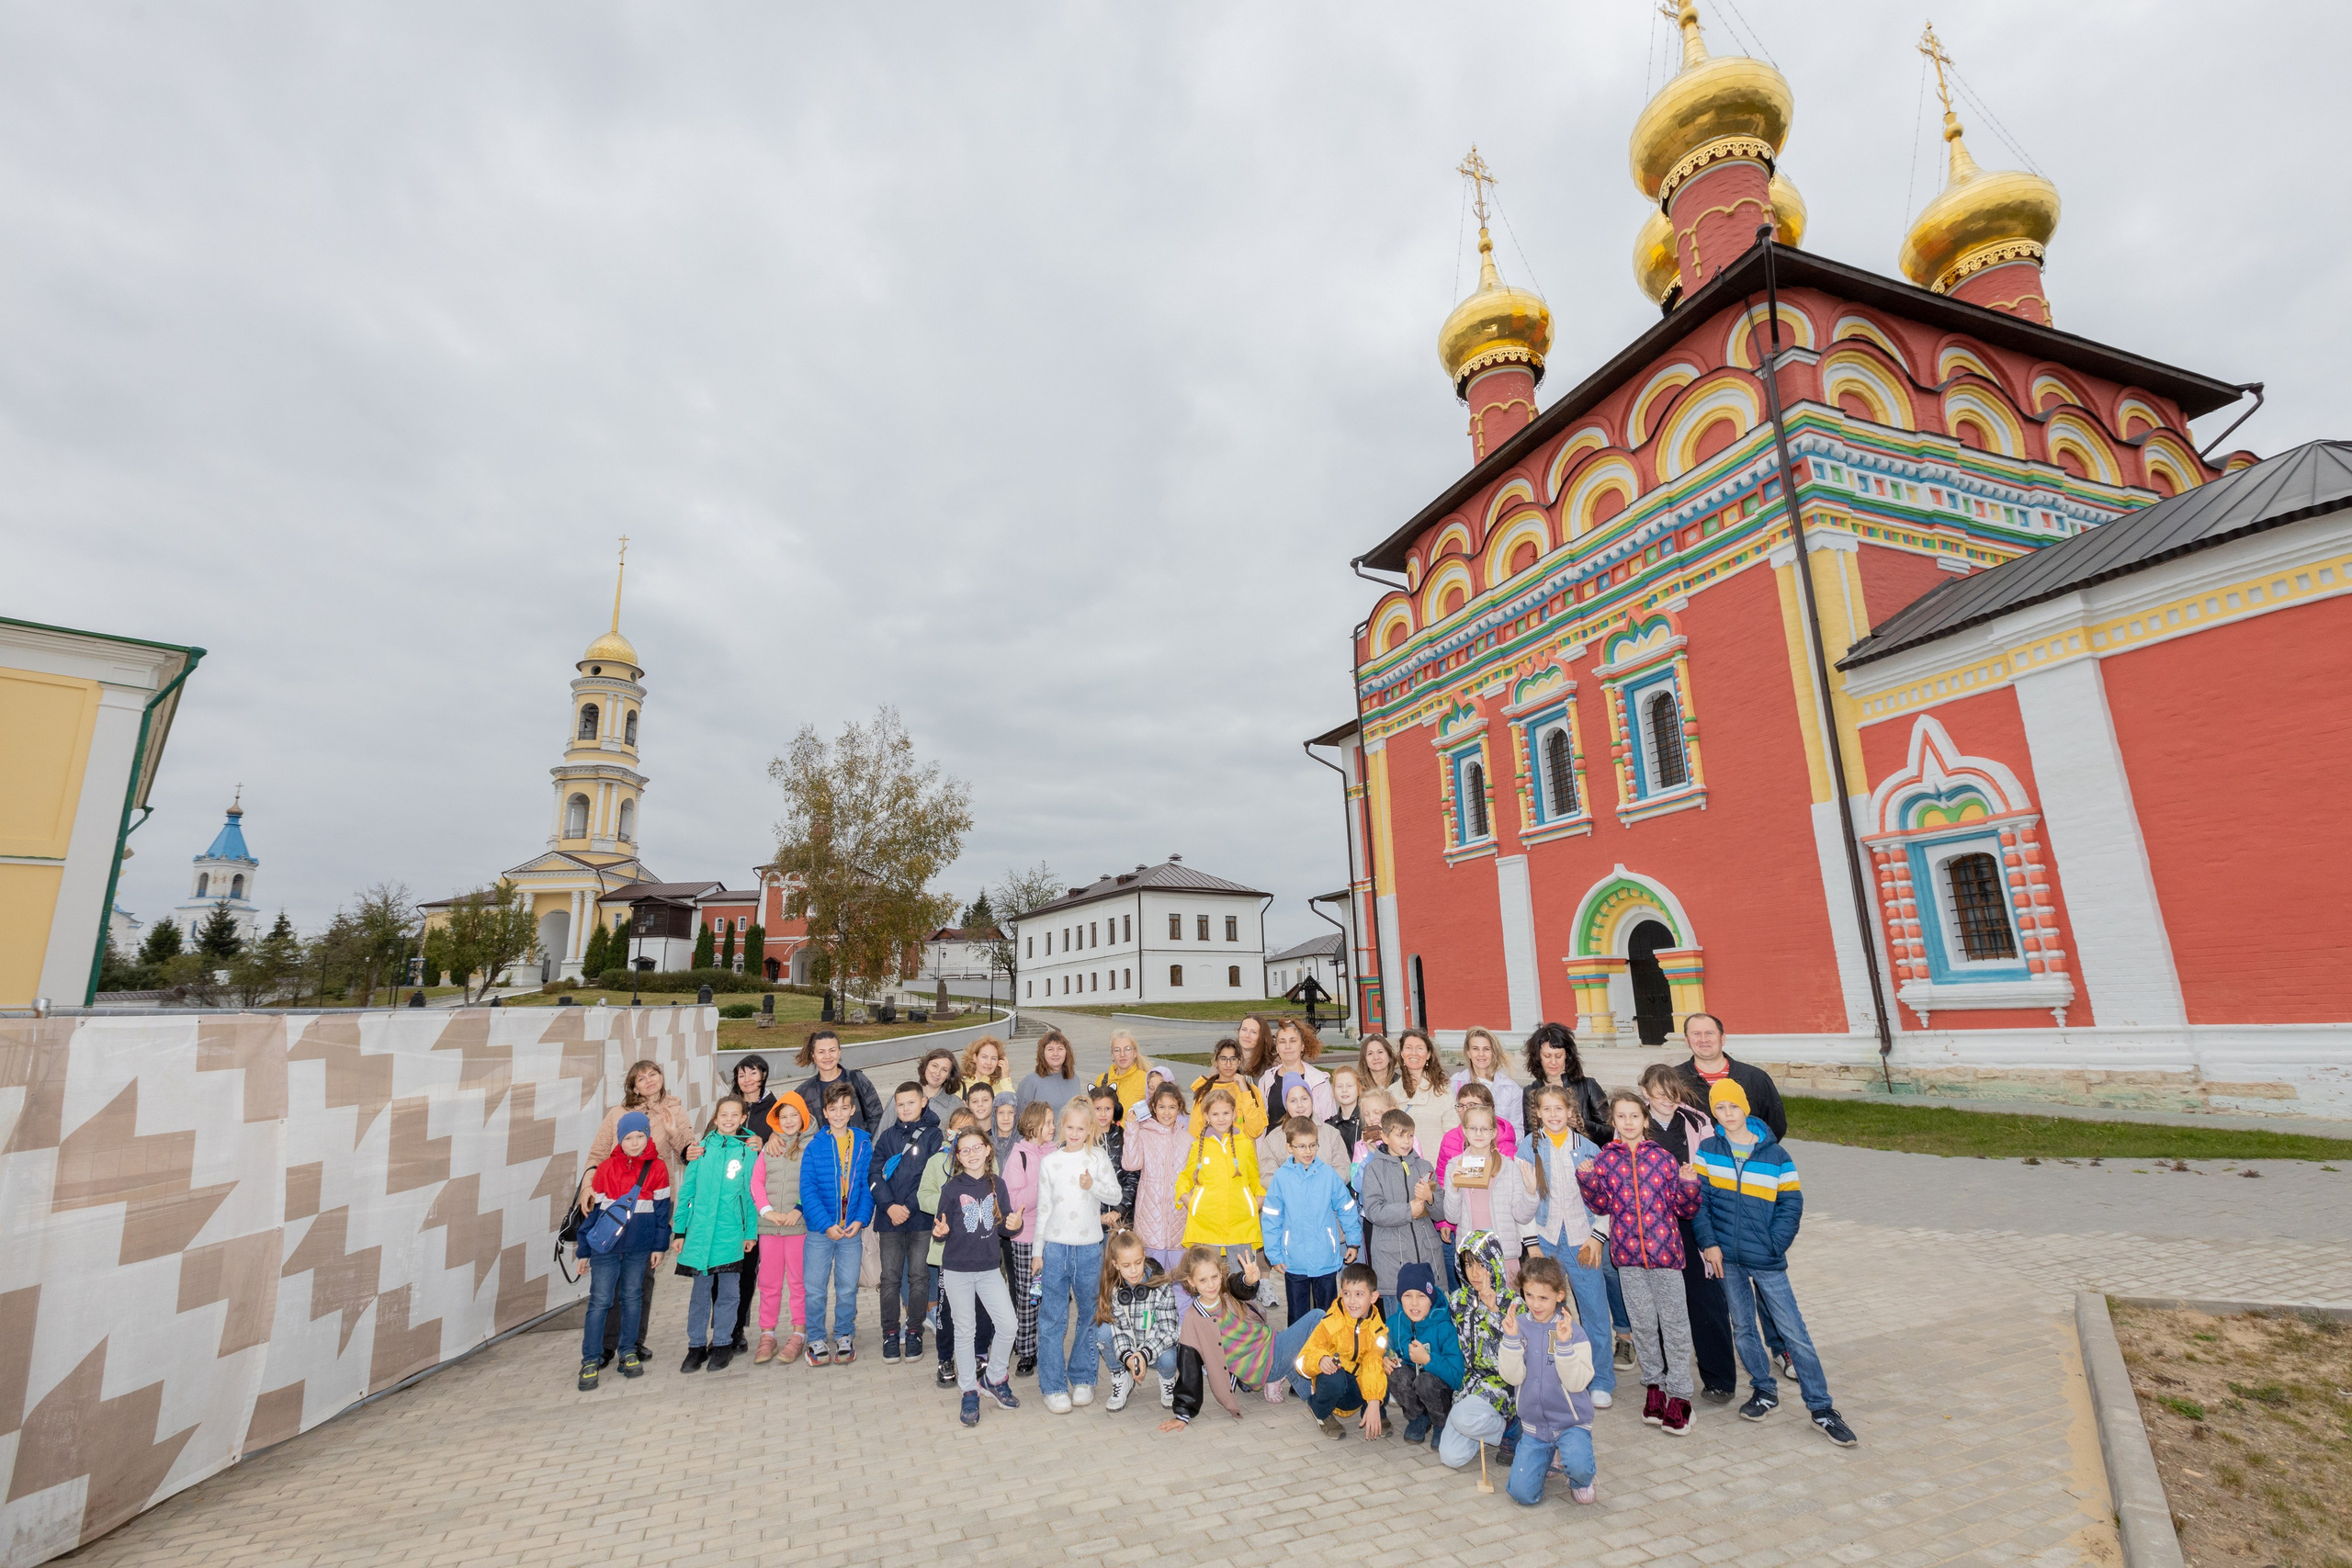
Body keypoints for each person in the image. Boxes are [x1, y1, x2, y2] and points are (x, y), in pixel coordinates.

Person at [1692, 1080, 1858, 1447]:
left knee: (1794, 1333)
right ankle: (1764, 1390)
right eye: (1720, 1109)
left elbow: (1791, 1205)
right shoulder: (1707, 1150)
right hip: (1727, 1259)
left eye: (1733, 1107)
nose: (1728, 1114)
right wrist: (1709, 1244)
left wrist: (1774, 1245)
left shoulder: (1775, 1155)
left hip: (1765, 1258)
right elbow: (1699, 1202)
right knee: (1743, 1329)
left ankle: (1821, 1408)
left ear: (1745, 1108)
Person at [1577, 1089, 1702, 1436]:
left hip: (1665, 1258)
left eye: (1634, 1116)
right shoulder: (1606, 1159)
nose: (1628, 1122)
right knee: (1644, 1326)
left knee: (1674, 1325)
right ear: (1613, 1122)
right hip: (1629, 1260)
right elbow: (1602, 1205)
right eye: (1621, 1117)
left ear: (1645, 1120)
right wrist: (1587, 1179)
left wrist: (1690, 1185)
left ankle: (1680, 1395)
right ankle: (1655, 1388)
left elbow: (1684, 1209)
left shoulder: (1663, 1158)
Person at [1640, 1063, 1742, 1405]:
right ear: (1645, 1092)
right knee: (1661, 1304)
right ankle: (1667, 1374)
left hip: (1693, 1221)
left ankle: (1719, 1377)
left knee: (1706, 1301)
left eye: (1673, 1092)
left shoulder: (1698, 1121)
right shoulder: (1634, 1122)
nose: (1668, 1099)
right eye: (1659, 1092)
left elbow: (1712, 1172)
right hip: (1653, 1226)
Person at [581, 1060, 695, 1367]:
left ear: (661, 1078)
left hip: (653, 1203)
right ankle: (607, 1344)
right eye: (641, 1078)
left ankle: (632, 1342)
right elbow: (597, 1154)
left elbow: (687, 1149)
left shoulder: (673, 1109)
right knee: (612, 1283)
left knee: (641, 1279)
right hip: (613, 1207)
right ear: (632, 1086)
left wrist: (674, 1132)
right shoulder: (617, 1115)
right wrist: (586, 1188)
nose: (648, 1081)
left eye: (653, 1075)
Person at [1521, 1083, 1615, 1408]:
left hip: (1581, 1240)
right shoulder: (1528, 1149)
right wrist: (1532, 1245)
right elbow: (1523, 1202)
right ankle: (1554, 1375)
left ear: (1571, 1112)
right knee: (1547, 1312)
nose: (1553, 1115)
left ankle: (1601, 1380)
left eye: (1558, 1109)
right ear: (1537, 1114)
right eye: (1546, 1109)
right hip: (1546, 1240)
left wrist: (1597, 1237)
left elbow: (1606, 1201)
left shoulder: (1590, 1150)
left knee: (1594, 1311)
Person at [574, 1110, 672, 1391]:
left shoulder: (658, 1169)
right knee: (600, 1301)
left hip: (639, 1249)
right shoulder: (605, 1169)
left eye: (640, 1135)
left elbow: (661, 1212)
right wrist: (583, 1251)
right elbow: (591, 1216)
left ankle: (628, 1350)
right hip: (605, 1250)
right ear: (620, 1140)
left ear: (648, 1135)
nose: (635, 1142)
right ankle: (590, 1359)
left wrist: (659, 1246)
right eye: (629, 1137)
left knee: (632, 1298)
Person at [1034, 1098, 1121, 1412]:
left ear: (1090, 1129)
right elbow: (1044, 1209)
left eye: (1080, 1128)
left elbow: (1116, 1194)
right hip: (1056, 1249)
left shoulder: (1097, 1158)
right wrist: (1037, 1252)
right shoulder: (1051, 1162)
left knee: (1089, 1315)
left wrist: (1092, 1185)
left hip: (1089, 1250)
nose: (1074, 1132)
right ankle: (1053, 1385)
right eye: (1069, 1127)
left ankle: (1084, 1378)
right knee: (1052, 1318)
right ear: (1061, 1127)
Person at [933, 1128, 1022, 1427]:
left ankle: (995, 1379)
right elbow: (941, 1226)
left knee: (1009, 1324)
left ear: (987, 1150)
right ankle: (969, 1388)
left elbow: (1005, 1228)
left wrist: (1015, 1224)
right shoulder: (951, 1189)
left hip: (988, 1269)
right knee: (965, 1330)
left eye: (976, 1148)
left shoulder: (998, 1184)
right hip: (957, 1269)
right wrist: (940, 1232)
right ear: (957, 1157)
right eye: (965, 1150)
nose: (971, 1154)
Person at [1496, 1256, 1599, 1506]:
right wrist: (1510, 1341)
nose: (1535, 1304)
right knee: (1521, 1494)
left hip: (1570, 1423)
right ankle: (1549, 1456)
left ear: (1560, 1295)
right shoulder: (1517, 1326)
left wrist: (1564, 1346)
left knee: (1580, 1467)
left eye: (1543, 1298)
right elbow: (1511, 1377)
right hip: (1535, 1428)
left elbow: (1577, 1384)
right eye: (1529, 1295)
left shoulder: (1573, 1331)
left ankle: (1579, 1478)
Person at [673, 1094, 760, 1373]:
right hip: (699, 1236)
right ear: (715, 1118)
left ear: (743, 1118)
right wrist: (679, 1230)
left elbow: (749, 1196)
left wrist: (750, 1233)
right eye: (724, 1115)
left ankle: (723, 1343)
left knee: (729, 1294)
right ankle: (696, 1345)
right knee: (699, 1295)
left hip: (730, 1235)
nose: (729, 1120)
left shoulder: (748, 1151)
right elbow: (687, 1192)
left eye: (736, 1115)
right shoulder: (700, 1150)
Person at [797, 1081, 875, 1366]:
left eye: (845, 1108)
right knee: (816, 1288)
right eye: (833, 1109)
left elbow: (868, 1186)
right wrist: (826, 1223)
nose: (839, 1113)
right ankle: (815, 1338)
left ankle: (845, 1334)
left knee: (846, 1287)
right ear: (825, 1113)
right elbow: (807, 1189)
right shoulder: (814, 1146)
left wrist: (860, 1219)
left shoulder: (863, 1142)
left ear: (852, 1110)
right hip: (821, 1231)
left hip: (851, 1232)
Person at [1260, 1115, 1363, 1326]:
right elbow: (1271, 1218)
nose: (1308, 1151)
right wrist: (1274, 1253)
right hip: (1294, 1261)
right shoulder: (1281, 1178)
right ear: (1289, 1147)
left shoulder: (1328, 1175)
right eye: (1301, 1146)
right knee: (1298, 1318)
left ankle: (1329, 1355)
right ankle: (1299, 1355)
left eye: (1313, 1145)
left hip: (1325, 1259)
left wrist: (1353, 1240)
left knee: (1328, 1316)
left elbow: (1345, 1207)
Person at [1159, 1247, 1275, 1431]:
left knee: (1312, 1326)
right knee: (1315, 1319)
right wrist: (1183, 1413)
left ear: (1221, 1274)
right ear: (1191, 1281)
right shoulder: (1193, 1318)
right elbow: (1188, 1365)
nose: (1211, 1285)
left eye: (1214, 1277)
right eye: (1203, 1280)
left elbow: (1240, 1286)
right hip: (1260, 1360)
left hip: (1267, 1343)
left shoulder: (1226, 1292)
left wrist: (1249, 1281)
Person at [1435, 1230, 1522, 1471]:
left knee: (1463, 1418)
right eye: (1468, 1264)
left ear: (1493, 1263)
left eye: (1481, 1265)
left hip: (1501, 1386)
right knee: (1450, 1456)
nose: (1474, 1273)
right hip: (1467, 1388)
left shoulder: (1513, 1303)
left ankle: (1511, 1427)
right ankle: (1488, 1429)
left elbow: (1518, 1352)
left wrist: (1494, 1310)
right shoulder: (1457, 1301)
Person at [869, 1081, 944, 1364]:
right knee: (889, 1279)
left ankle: (914, 1330)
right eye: (900, 1104)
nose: (905, 1108)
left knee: (919, 1278)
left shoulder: (934, 1136)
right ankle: (890, 1332)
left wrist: (909, 1207)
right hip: (889, 1222)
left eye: (910, 1103)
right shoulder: (887, 1137)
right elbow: (874, 1174)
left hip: (922, 1220)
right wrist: (889, 1207)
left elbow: (932, 1176)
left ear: (923, 1102)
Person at [921, 1111, 993, 1389]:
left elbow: (996, 1199)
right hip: (948, 1255)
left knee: (981, 1307)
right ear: (948, 1131)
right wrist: (951, 1200)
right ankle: (945, 1358)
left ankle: (980, 1355)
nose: (963, 1136)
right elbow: (922, 1195)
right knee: (947, 1309)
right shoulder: (936, 1162)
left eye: (970, 1130)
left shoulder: (987, 1164)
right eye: (957, 1130)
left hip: (981, 1253)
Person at [1285, 1262, 1389, 1440]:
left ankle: (1373, 1412)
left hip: (1357, 1387)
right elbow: (1302, 1361)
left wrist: (1373, 1401)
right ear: (1341, 1293)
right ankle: (1321, 1412)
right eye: (1347, 1294)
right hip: (1335, 1387)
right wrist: (1319, 1360)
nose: (1352, 1301)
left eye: (1359, 1294)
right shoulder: (1330, 1323)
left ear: (1373, 1297)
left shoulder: (1377, 1329)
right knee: (1333, 1377)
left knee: (1383, 1369)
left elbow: (1373, 1363)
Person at [1441, 1102, 1539, 1285]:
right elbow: (1452, 1217)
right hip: (1472, 1258)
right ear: (1465, 1131)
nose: (1478, 1133)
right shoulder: (1455, 1166)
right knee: (1477, 1311)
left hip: (1505, 1255)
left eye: (1485, 1129)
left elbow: (1522, 1216)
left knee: (1508, 1311)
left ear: (1494, 1132)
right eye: (1473, 1128)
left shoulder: (1509, 1166)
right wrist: (1454, 1189)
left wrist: (1531, 1192)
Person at [1356, 1110, 1444, 1313]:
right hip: (1393, 1263)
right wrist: (1408, 1210)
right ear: (1385, 1137)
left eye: (1410, 1135)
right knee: (1398, 1330)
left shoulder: (1424, 1166)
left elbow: (1441, 1213)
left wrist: (1430, 1198)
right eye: (1400, 1135)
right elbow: (1373, 1211)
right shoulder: (1374, 1169)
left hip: (1426, 1259)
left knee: (1430, 1327)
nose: (1407, 1141)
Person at [750, 1091, 810, 1366]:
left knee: (799, 1283)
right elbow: (756, 1182)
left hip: (797, 1227)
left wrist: (798, 1210)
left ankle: (799, 1333)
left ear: (803, 1117)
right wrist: (767, 1211)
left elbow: (814, 1182)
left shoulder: (812, 1146)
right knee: (769, 1283)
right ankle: (768, 1334)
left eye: (793, 1115)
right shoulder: (769, 1147)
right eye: (782, 1116)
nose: (788, 1121)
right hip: (770, 1226)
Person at [1093, 1229, 1180, 1413]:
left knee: (1169, 1357)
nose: (1133, 1270)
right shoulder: (1114, 1290)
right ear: (1115, 1265)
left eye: (1138, 1263)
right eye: (1126, 1265)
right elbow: (1120, 1330)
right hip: (1129, 1349)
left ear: (1144, 1256)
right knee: (1102, 1331)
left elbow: (1168, 1330)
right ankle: (1120, 1375)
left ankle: (1168, 1380)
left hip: (1154, 1348)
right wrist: (1129, 1358)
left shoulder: (1161, 1285)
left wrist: (1144, 1355)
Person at [1174, 1088, 1261, 1268]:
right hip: (1206, 1224)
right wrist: (1190, 1201)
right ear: (1207, 1116)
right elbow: (1185, 1178)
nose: (1221, 1118)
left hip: (1240, 1224)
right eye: (1215, 1114)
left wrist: (1256, 1203)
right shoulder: (1199, 1145)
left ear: (1233, 1114)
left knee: (1241, 1282)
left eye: (1225, 1113)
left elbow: (1254, 1179)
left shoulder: (1244, 1144)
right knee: (1208, 1278)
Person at [1001, 1100, 1057, 1373]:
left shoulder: (1057, 1151)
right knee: (1029, 1295)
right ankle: (1026, 1349)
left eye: (1053, 1122)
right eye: (1048, 1122)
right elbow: (1015, 1200)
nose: (1053, 1127)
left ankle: (1048, 1346)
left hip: (1054, 1236)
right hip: (1026, 1238)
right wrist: (1045, 1181)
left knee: (1049, 1294)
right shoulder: (1019, 1155)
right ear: (1033, 1126)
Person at [1383, 1260, 1462, 1446]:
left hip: (1440, 1390)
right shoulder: (1394, 1323)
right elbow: (1387, 1349)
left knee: (1425, 1381)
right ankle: (1418, 1417)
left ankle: (1441, 1422)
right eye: (1407, 1295)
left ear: (1431, 1297)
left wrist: (1428, 1360)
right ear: (1399, 1298)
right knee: (1396, 1375)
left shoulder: (1445, 1327)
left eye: (1421, 1296)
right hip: (1416, 1385)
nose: (1414, 1303)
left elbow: (1458, 1378)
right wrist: (1386, 1359)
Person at [1673, 1013, 1787, 1140]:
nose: (1703, 1039)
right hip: (1696, 1158)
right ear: (1687, 1040)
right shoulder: (1674, 1080)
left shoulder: (1754, 1078)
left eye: (1710, 1033)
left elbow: (1776, 1125)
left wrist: (1756, 1152)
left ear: (1722, 1038)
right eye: (1696, 1034)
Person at [1123, 1081, 1191, 1274]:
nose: (1167, 1113)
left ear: (1180, 1108)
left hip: (1178, 1222)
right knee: (1152, 1279)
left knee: (1179, 1280)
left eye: (1172, 1107)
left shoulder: (1188, 1140)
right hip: (1150, 1221)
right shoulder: (1144, 1134)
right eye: (1161, 1107)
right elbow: (1130, 1163)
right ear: (1153, 1107)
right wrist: (1131, 1128)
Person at [1522, 1021, 1609, 1144]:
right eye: (1547, 1056)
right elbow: (1530, 1136)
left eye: (1558, 1056)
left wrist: (1582, 1124)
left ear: (1567, 1055)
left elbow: (1610, 1132)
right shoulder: (1531, 1091)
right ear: (1538, 1057)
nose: (1553, 1062)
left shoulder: (1588, 1085)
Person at [794, 1030, 883, 1138]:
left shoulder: (857, 1080)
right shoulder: (803, 1092)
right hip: (824, 1153)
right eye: (821, 1052)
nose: (827, 1056)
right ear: (813, 1055)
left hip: (859, 1152)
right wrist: (774, 1135)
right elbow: (788, 1121)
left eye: (832, 1050)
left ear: (839, 1052)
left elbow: (876, 1116)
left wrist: (865, 1143)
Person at [1256, 1081, 1348, 1185]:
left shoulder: (1331, 1134)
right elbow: (1267, 1176)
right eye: (1293, 1101)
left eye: (1304, 1099)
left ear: (1312, 1101)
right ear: (1285, 1104)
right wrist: (1295, 1189)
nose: (1300, 1105)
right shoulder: (1273, 1139)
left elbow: (1343, 1170)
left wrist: (1319, 1187)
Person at [1251, 1016, 1337, 1122]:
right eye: (1282, 1041)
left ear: (1302, 1046)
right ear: (1277, 1048)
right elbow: (1260, 1122)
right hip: (1273, 1138)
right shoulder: (1266, 1080)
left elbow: (1329, 1123)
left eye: (1293, 1041)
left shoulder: (1319, 1081)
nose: (1288, 1046)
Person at [1433, 1081, 1519, 1186]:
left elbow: (1513, 1185)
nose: (1465, 1110)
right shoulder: (1449, 1139)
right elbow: (1441, 1180)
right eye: (1461, 1106)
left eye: (1471, 1105)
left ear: (1489, 1108)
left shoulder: (1504, 1144)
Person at [1187, 1038, 1267, 1140]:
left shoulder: (1251, 1091)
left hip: (1243, 1153)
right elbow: (1194, 1133)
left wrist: (1245, 1092)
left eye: (1233, 1059)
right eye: (1223, 1059)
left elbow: (1256, 1131)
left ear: (1239, 1062)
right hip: (1213, 1153)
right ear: (1216, 1062)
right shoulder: (1204, 1091)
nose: (1228, 1064)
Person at [1450, 1027, 1524, 1135]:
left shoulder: (1511, 1089)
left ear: (1493, 1053)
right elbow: (1450, 1123)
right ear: (1468, 1053)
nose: (1481, 1054)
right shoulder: (1455, 1083)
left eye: (1486, 1049)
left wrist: (1494, 1146)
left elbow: (1517, 1131)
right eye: (1475, 1049)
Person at [1394, 1029, 1458, 1149]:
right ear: (1402, 1053)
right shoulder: (1391, 1092)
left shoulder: (1442, 1089)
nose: (1414, 1053)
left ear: (1428, 1054)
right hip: (1401, 1165)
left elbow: (1453, 1132)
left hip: (1435, 1163)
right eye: (1408, 1048)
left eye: (1419, 1048)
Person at [1090, 1084, 1138, 1226]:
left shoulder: (1124, 1136)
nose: (1103, 1114)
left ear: (1115, 1109)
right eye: (1097, 1109)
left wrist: (1118, 1211)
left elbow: (1132, 1177)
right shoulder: (1082, 1138)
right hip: (1091, 1220)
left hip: (1120, 1220)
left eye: (1108, 1109)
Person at [1013, 1031, 1080, 1122]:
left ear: (1066, 1052)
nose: (1055, 1054)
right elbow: (1020, 1117)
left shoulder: (1074, 1079)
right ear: (1042, 1053)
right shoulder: (1031, 1081)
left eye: (1060, 1049)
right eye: (1050, 1049)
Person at [1092, 1030, 1150, 1123]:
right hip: (1106, 1137)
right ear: (1112, 1055)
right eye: (1117, 1050)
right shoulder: (1102, 1080)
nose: (1122, 1054)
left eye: (1127, 1049)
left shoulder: (1145, 1079)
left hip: (1134, 1136)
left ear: (1135, 1053)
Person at [1325, 1063, 1366, 1156]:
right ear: (1334, 1091)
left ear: (1359, 1089)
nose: (1344, 1090)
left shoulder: (1368, 1121)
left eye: (1349, 1086)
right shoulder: (1329, 1126)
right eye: (1339, 1086)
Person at [956, 1035, 1015, 1100]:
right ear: (975, 1057)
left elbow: (1012, 1104)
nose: (989, 1063)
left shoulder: (1002, 1087)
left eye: (993, 1058)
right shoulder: (960, 1085)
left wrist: (1005, 1078)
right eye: (984, 1057)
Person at [916, 1048, 964, 1127]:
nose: (937, 1073)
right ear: (926, 1065)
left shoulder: (956, 1105)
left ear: (949, 1075)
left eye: (944, 1070)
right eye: (934, 1066)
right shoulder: (903, 1095)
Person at [1354, 1034, 1398, 1100]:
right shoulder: (1358, 1087)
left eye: (1380, 1052)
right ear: (1364, 1060)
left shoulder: (1401, 1084)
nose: (1376, 1057)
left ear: (1389, 1057)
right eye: (1370, 1053)